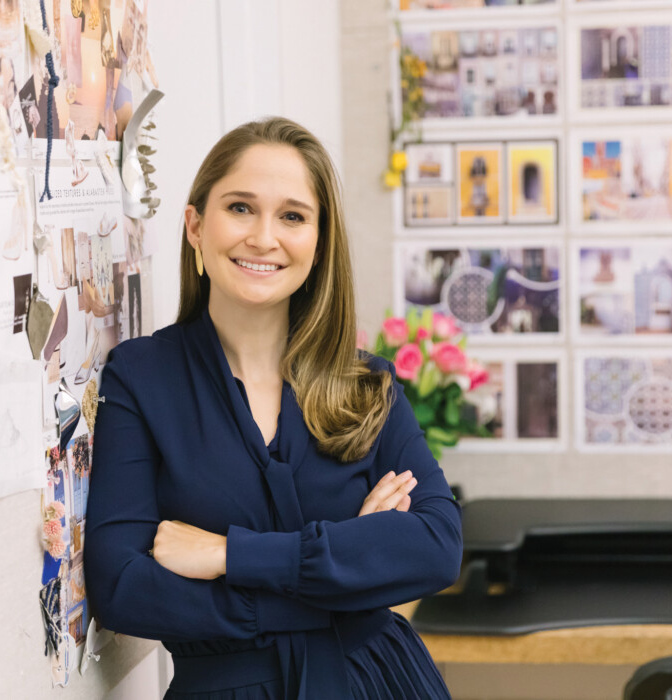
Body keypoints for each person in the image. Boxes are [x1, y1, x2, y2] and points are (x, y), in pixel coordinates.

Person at [84, 117, 463, 699]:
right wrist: (348, 568)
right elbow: (123, 588)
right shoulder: (141, 379)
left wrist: (227, 555)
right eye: (240, 208)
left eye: (292, 216)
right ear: (195, 225)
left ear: (319, 241)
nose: (264, 238)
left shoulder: (366, 385)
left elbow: (436, 548)